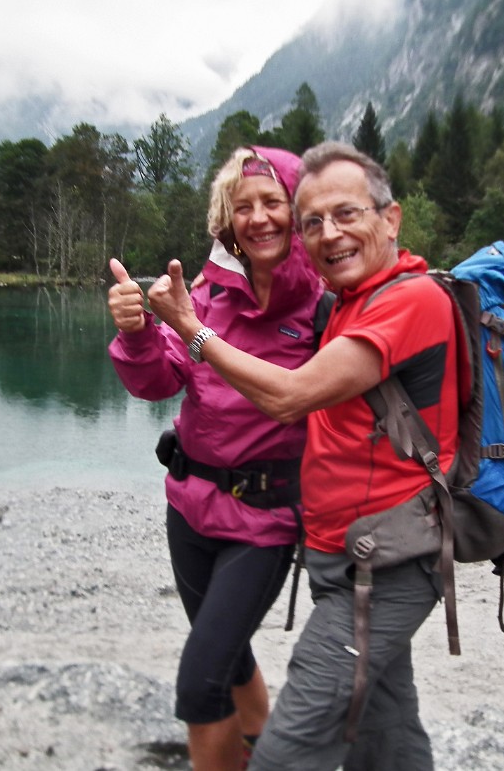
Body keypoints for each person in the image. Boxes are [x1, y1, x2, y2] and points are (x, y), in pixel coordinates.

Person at [146, 141, 460, 770]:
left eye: (347, 214)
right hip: (343, 557)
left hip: (386, 566)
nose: (328, 232)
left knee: (285, 756)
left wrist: (193, 330)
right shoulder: (347, 304)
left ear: (390, 219)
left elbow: (289, 398)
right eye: (314, 221)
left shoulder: (410, 300)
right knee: (386, 731)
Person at [106, 146, 323, 771]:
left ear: (296, 209)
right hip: (189, 509)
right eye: (242, 206)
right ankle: (264, 750)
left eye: (272, 203)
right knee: (231, 658)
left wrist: (188, 328)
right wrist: (138, 332)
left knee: (200, 683)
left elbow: (296, 404)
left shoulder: (322, 305)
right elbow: (159, 382)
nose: (257, 218)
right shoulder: (205, 293)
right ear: (226, 218)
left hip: (265, 520)